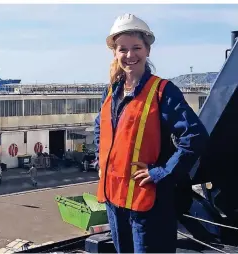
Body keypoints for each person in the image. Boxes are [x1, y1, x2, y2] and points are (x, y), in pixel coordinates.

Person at [94, 14, 209, 253]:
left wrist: (163, 172)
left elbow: (195, 135)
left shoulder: (162, 91)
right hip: (115, 201)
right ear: (114, 53)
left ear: (147, 49)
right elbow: (100, 128)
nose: (129, 55)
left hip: (148, 206)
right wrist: (100, 160)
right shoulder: (112, 92)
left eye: (136, 47)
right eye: (122, 49)